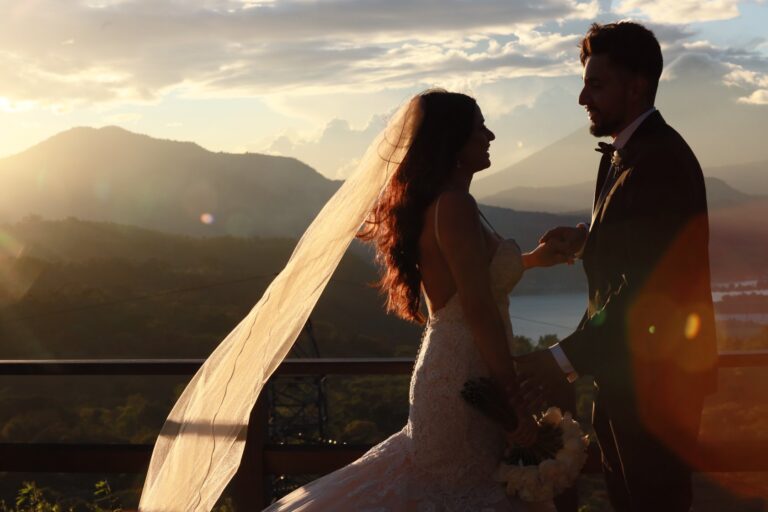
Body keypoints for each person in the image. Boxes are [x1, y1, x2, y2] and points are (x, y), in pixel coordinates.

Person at [261, 89, 567, 511]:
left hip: (457, 370)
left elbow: (471, 280)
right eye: (480, 128)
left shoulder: (444, 203)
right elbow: (478, 310)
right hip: (467, 378)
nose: (491, 135)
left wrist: (532, 260)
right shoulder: (456, 205)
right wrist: (513, 399)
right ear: (453, 141)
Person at [516, 22, 718, 511]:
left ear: (637, 86)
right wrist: (587, 242)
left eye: (596, 84)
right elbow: (640, 246)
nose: (583, 97)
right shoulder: (621, 157)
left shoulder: (661, 161)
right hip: (622, 377)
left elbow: (649, 286)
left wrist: (559, 361)